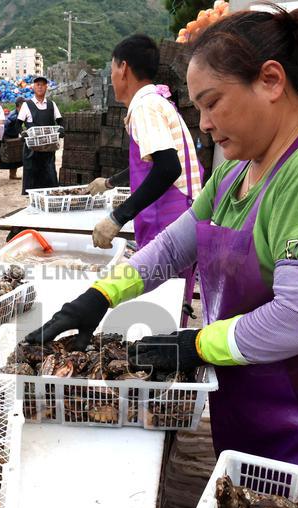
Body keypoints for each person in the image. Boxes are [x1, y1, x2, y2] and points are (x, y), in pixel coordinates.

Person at [26, 5, 298, 487]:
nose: (203, 124)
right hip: (253, 392)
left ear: (271, 81)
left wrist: (199, 342)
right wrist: (98, 297)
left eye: (212, 103)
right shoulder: (236, 166)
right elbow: (174, 246)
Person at [88, 34, 204, 327]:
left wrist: (116, 218)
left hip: (169, 218)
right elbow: (150, 162)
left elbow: (167, 168)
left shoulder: (145, 107)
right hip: (178, 213)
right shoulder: (154, 102)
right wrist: (110, 182)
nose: (112, 76)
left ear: (123, 68)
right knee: (173, 301)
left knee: (164, 304)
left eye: (112, 68)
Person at [18, 76, 63, 194]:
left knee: (50, 177)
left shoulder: (51, 105)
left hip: (48, 149)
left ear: (46, 87)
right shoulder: (27, 105)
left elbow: (60, 121)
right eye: (38, 84)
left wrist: (61, 130)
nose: (40, 87)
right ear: (33, 87)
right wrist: (22, 133)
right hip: (32, 150)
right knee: (32, 180)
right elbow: (18, 123)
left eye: (43, 85)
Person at [0, 97, 25, 180]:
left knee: (16, 156)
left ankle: (12, 175)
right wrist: (2, 138)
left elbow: (19, 127)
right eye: (23, 107)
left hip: (14, 136)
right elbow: (5, 126)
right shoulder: (13, 115)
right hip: (6, 137)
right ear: (18, 107)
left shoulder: (21, 114)